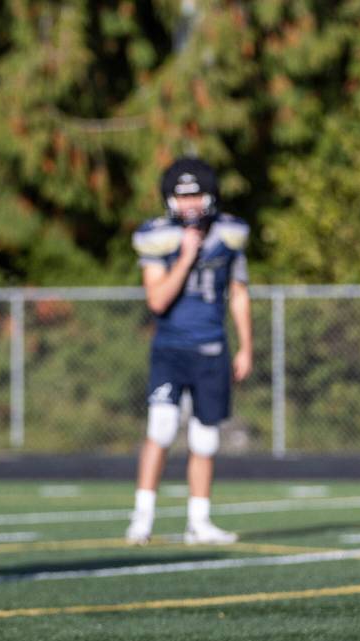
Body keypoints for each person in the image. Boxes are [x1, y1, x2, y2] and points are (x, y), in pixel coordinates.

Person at [125, 157, 252, 546]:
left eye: (196, 194)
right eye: (182, 197)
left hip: (212, 347)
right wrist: (184, 257)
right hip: (171, 348)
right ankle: (142, 518)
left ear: (210, 196)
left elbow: (239, 293)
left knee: (205, 440)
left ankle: (199, 521)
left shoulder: (231, 234)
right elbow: (158, 301)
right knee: (160, 429)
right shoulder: (157, 237)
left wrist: (246, 346)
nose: (189, 204)